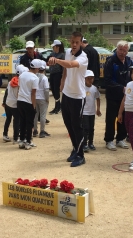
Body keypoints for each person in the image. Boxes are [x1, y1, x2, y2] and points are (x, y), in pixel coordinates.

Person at [48, 31, 88, 167]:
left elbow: (71, 64)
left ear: (81, 43)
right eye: (72, 42)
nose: (75, 45)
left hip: (78, 96)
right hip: (67, 94)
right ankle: (75, 149)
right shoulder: (68, 53)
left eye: (77, 42)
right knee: (68, 124)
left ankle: (81, 155)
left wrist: (57, 60)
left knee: (77, 126)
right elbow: (66, 68)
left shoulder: (83, 57)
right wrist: (63, 81)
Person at [104, 40, 132, 151]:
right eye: (120, 50)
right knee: (111, 118)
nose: (122, 52)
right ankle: (109, 140)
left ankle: (121, 139)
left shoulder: (129, 62)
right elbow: (107, 80)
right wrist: (121, 88)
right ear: (117, 49)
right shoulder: (110, 61)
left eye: (124, 50)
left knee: (123, 118)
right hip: (112, 95)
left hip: (125, 96)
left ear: (127, 51)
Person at [17, 59, 42, 150]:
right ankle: (28, 141)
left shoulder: (22, 75)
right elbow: (33, 93)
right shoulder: (35, 78)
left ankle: (22, 140)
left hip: (20, 100)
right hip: (28, 102)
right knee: (29, 123)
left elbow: (19, 88)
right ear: (36, 68)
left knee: (22, 122)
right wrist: (33, 106)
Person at [2, 65, 28, 143]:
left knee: (8, 119)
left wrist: (4, 102)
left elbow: (6, 92)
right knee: (17, 121)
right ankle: (16, 138)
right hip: (15, 105)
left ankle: (5, 134)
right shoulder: (20, 83)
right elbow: (19, 95)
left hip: (8, 103)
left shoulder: (10, 81)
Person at [82, 70, 101, 153]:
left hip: (91, 112)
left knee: (91, 128)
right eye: (88, 78)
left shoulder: (94, 88)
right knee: (85, 128)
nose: (90, 80)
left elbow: (98, 98)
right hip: (84, 112)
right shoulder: (82, 88)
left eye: (92, 78)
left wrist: (98, 109)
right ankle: (84, 144)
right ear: (85, 79)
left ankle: (91, 143)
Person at [33, 60, 50, 138]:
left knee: (35, 115)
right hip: (42, 98)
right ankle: (42, 131)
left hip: (35, 98)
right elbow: (46, 90)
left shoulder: (34, 76)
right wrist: (47, 99)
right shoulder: (45, 78)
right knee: (43, 115)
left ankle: (35, 130)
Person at [48, 39, 65, 114]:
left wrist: (62, 77)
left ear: (57, 47)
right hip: (52, 73)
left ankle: (57, 107)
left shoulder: (62, 55)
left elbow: (63, 66)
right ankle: (58, 105)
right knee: (53, 89)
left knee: (56, 90)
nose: (53, 48)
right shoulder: (53, 54)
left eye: (54, 46)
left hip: (58, 74)